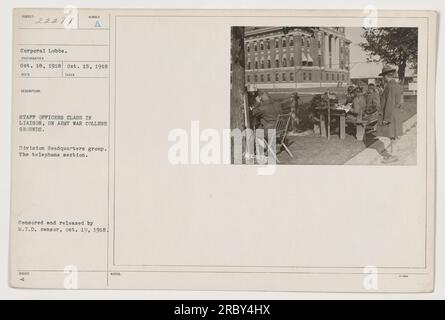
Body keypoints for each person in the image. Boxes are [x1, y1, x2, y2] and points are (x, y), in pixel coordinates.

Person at [376, 65, 403, 163]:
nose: (383, 78)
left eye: (383, 76)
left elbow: (389, 103)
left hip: (391, 115)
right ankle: (393, 154)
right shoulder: (395, 85)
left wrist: (386, 118)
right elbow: (399, 102)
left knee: (392, 136)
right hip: (395, 114)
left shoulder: (390, 86)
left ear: (387, 75)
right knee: (394, 136)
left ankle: (394, 156)